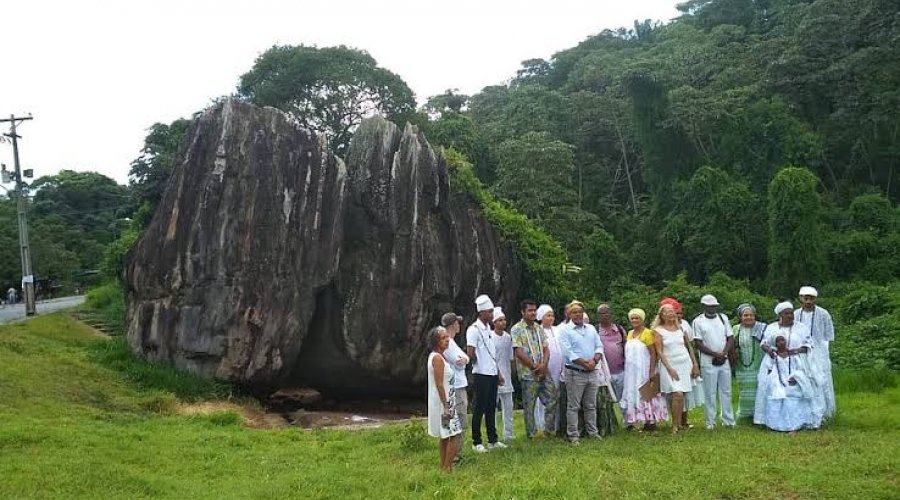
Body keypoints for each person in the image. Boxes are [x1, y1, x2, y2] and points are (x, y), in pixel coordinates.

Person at [756, 301, 823, 426]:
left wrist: (794, 351)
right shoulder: (771, 327)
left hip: (796, 363)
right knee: (774, 389)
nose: (790, 316)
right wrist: (770, 350)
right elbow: (763, 344)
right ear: (780, 315)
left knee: (795, 390)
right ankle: (774, 422)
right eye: (786, 314)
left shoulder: (801, 328)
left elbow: (808, 345)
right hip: (774, 363)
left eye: (791, 313)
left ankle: (800, 421)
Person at [756, 334, 823, 432]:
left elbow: (799, 368)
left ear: (786, 341)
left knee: (792, 398)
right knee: (777, 394)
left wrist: (796, 377)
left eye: (782, 340)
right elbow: (769, 368)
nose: (781, 343)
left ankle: (794, 426)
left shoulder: (793, 355)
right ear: (775, 344)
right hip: (777, 380)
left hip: (792, 379)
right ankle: (776, 425)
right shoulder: (774, 355)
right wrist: (773, 379)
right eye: (778, 341)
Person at [558, 301, 604, 444]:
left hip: (592, 371)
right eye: (574, 312)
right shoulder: (565, 330)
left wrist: (594, 361)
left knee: (590, 405)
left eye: (580, 312)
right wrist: (585, 363)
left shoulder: (590, 328)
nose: (578, 314)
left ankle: (592, 432)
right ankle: (573, 435)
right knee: (574, 405)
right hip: (575, 372)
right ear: (569, 314)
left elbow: (599, 346)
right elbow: (567, 352)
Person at [466, 294, 506, 452]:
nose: (491, 314)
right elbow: (471, 352)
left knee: (491, 407)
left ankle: (493, 439)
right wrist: (479, 362)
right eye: (489, 312)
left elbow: (492, 354)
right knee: (479, 408)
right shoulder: (473, 329)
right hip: (481, 373)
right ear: (481, 313)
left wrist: (497, 373)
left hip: (491, 373)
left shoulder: (488, 329)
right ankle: (476, 441)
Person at [512, 300, 558, 438]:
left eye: (534, 310)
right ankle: (531, 434)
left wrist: (543, 365)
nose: (533, 313)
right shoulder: (517, 329)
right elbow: (519, 352)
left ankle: (548, 431)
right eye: (530, 310)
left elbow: (546, 348)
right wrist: (534, 366)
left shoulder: (539, 328)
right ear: (523, 312)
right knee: (529, 405)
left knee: (552, 399)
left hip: (543, 371)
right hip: (528, 374)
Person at [653, 304, 700, 433]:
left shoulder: (680, 328)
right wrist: (669, 368)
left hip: (684, 363)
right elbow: (660, 351)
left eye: (672, 311)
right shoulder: (658, 330)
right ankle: (674, 424)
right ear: (662, 315)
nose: (671, 314)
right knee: (677, 393)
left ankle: (679, 424)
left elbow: (689, 347)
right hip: (669, 364)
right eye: (667, 312)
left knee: (682, 395)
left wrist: (695, 364)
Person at [692, 294, 735, 429]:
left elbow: (730, 337)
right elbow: (698, 343)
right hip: (708, 361)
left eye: (714, 306)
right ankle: (710, 421)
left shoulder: (723, 318)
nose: (712, 308)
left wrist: (724, 353)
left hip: (724, 359)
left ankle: (728, 420)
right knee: (709, 392)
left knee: (726, 391)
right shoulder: (698, 321)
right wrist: (715, 354)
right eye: (709, 306)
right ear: (704, 306)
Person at [621, 308, 668, 431]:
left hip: (644, 368)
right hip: (632, 370)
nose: (634, 320)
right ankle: (635, 419)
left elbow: (653, 353)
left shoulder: (647, 333)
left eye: (637, 318)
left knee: (646, 393)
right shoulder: (630, 333)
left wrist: (651, 371)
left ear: (642, 319)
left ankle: (650, 421)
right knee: (634, 393)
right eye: (632, 318)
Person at [795, 286, 836, 419]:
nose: (808, 301)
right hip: (800, 351)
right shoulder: (795, 314)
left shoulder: (823, 314)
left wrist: (822, 351)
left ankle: (825, 412)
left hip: (819, 351)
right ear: (801, 299)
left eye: (811, 298)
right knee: (803, 377)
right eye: (805, 298)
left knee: (822, 379)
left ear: (815, 299)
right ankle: (805, 412)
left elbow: (828, 335)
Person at [426, 326, 463, 471]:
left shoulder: (438, 356)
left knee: (445, 435)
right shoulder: (437, 359)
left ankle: (444, 467)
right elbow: (440, 384)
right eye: (443, 338)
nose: (447, 340)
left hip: (445, 402)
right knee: (454, 435)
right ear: (436, 341)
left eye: (448, 337)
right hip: (445, 404)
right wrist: (446, 406)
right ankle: (448, 468)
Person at [440, 312, 469, 463]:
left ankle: (450, 453)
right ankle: (454, 455)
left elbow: (466, 358)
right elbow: (458, 360)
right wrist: (463, 359)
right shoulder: (448, 343)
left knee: (454, 420)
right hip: (455, 385)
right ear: (452, 325)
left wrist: (464, 359)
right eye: (457, 322)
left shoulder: (452, 341)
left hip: (458, 384)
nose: (459, 325)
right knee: (459, 421)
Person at [732, 303, 765, 421]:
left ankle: (759, 415)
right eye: (745, 315)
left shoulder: (762, 328)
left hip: (759, 365)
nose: (749, 317)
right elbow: (732, 345)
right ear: (740, 317)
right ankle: (745, 414)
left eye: (751, 315)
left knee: (759, 390)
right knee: (744, 390)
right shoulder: (736, 329)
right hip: (742, 365)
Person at [596, 304, 625, 436]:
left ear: (611, 314)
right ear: (598, 316)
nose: (605, 315)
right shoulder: (595, 331)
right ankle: (610, 425)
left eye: (607, 313)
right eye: (601, 313)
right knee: (606, 401)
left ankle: (628, 423)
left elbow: (626, 346)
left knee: (623, 398)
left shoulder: (619, 329)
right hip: (603, 374)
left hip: (621, 370)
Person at [535, 304, 562, 434]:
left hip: (559, 367)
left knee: (557, 395)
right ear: (541, 317)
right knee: (544, 397)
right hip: (546, 367)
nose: (551, 318)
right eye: (548, 315)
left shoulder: (557, 330)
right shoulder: (538, 331)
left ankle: (556, 424)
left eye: (552, 315)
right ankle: (541, 425)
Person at [492, 307, 515, 441]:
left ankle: (509, 434)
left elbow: (511, 358)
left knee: (508, 407)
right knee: (493, 408)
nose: (503, 322)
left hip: (507, 376)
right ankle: (493, 433)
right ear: (494, 322)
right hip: (494, 377)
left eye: (504, 320)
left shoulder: (508, 338)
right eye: (500, 320)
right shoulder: (490, 337)